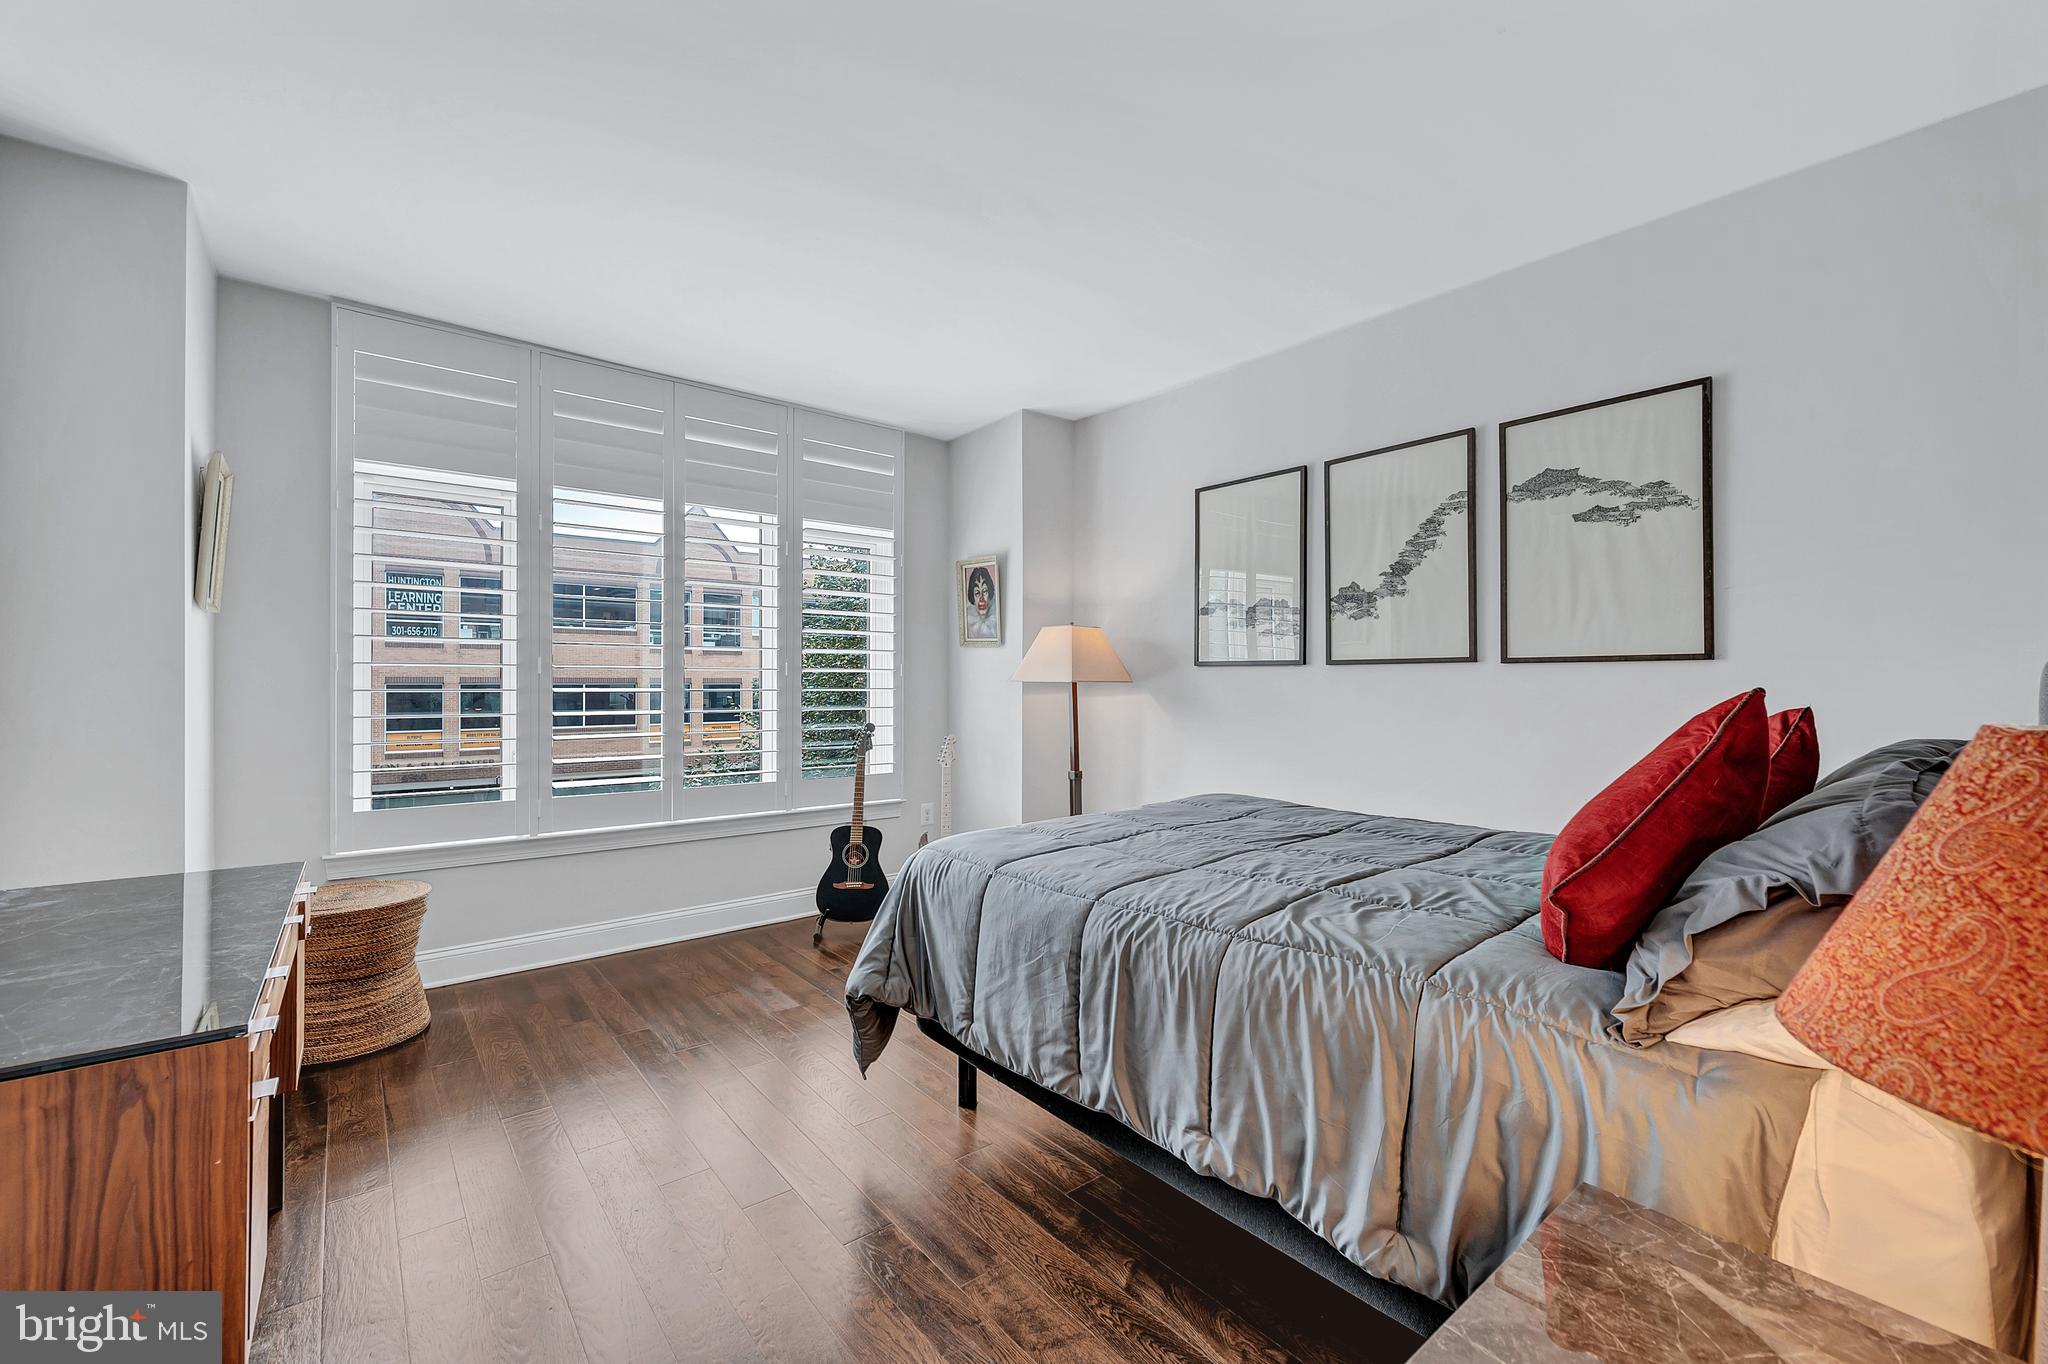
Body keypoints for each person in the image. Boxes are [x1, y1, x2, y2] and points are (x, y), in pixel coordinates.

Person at [963, 564, 999, 640]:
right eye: (977, 593)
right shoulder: (968, 623)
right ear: (972, 597)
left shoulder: (995, 620)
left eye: (985, 591)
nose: (981, 598)